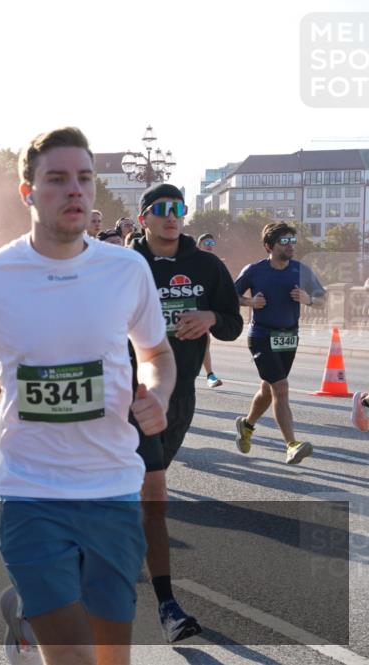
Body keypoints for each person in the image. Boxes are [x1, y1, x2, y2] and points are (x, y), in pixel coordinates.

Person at [0, 127, 175, 665]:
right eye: (57, 179)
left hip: (111, 488)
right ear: (28, 192)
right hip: (27, 488)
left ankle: (25, 616)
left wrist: (157, 395)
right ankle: (37, 612)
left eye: (84, 179)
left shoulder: (127, 270)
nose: (75, 191)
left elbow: (156, 355)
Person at [130, 184, 243, 643]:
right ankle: (168, 606)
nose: (172, 217)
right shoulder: (125, 266)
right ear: (144, 219)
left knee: (140, 501)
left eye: (178, 209)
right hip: (132, 396)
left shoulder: (207, 266)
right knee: (152, 500)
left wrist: (211, 319)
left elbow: (234, 323)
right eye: (161, 210)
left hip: (181, 398)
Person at [234, 222, 325, 465]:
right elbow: (229, 295)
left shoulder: (300, 270)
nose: (290, 245)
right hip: (262, 336)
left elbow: (322, 299)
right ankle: (291, 445)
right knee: (281, 387)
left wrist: (308, 300)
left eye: (292, 240)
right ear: (269, 246)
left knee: (269, 388)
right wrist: (250, 302)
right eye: (284, 241)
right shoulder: (254, 271)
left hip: (289, 337)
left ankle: (247, 425)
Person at [196, 233, 223, 388]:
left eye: (212, 242)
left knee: (204, 341)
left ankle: (210, 375)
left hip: (205, 309)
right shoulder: (191, 261)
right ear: (199, 245)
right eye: (206, 242)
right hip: (187, 307)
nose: (210, 244)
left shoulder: (215, 263)